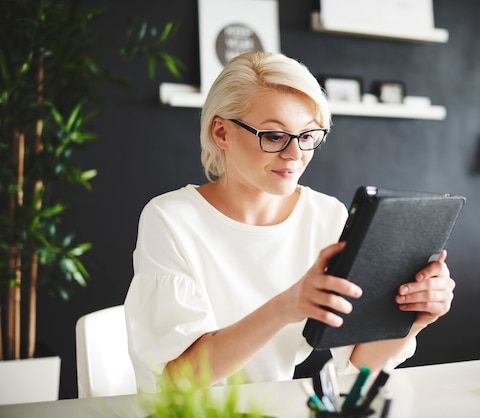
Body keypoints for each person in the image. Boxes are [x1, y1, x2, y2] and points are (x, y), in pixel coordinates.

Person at [124, 51, 456, 393]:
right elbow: (178, 380)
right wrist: (285, 306)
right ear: (221, 132)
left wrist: (412, 320)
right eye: (273, 136)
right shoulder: (171, 219)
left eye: (309, 135)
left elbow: (355, 368)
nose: (295, 154)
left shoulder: (327, 217)